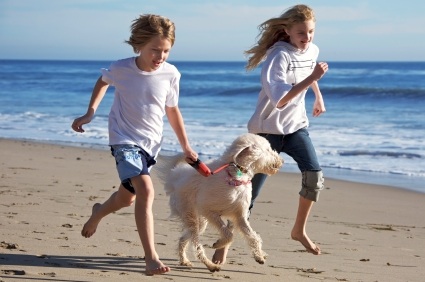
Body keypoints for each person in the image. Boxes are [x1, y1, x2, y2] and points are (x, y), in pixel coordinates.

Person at [71, 14, 198, 276]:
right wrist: (90, 112)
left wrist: (186, 146)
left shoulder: (171, 73)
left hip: (150, 144)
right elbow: (103, 81)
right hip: (123, 139)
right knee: (146, 191)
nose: (160, 56)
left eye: (166, 50)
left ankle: (98, 212)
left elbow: (172, 111)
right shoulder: (121, 68)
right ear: (140, 44)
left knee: (126, 199)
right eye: (155, 50)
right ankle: (151, 257)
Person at [213, 4, 328, 264]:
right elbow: (280, 100)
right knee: (247, 195)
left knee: (314, 176)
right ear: (286, 31)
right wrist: (313, 79)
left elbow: (310, 72)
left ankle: (299, 230)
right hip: (267, 135)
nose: (307, 38)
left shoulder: (312, 50)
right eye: (301, 32)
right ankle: (226, 241)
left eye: (310, 32)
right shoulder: (278, 57)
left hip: (297, 127)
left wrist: (318, 96)